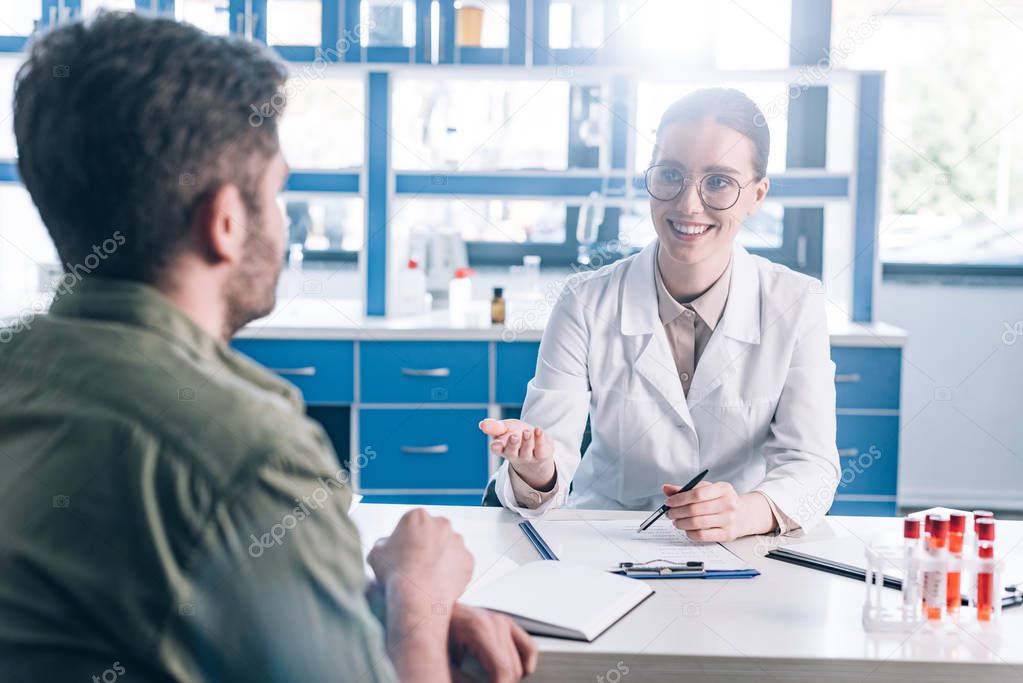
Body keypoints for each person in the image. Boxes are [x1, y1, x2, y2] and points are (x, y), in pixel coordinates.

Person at [0, 12, 535, 682]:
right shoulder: (245, 454)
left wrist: (355, 607)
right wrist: (419, 604)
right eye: (278, 192)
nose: (282, 220)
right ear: (224, 222)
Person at [481, 88, 840, 541]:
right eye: (671, 174)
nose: (689, 204)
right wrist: (536, 469)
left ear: (757, 195)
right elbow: (549, 467)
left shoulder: (796, 302)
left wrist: (749, 513)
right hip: (605, 539)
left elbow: (813, 464)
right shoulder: (585, 302)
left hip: (739, 544)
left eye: (719, 181)